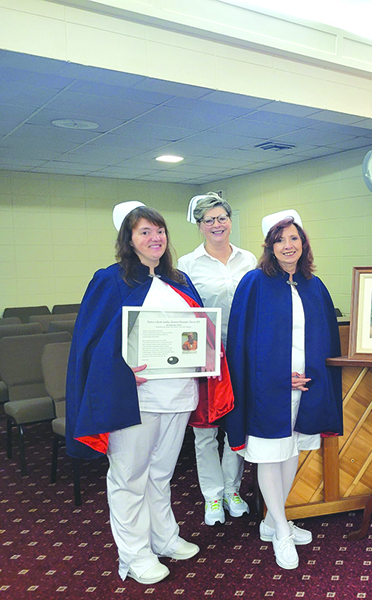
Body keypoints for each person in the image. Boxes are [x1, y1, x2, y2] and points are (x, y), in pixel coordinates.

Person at [66, 202, 233, 585]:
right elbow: (90, 345)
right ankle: (135, 554)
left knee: (161, 474)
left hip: (179, 394)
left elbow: (200, 334)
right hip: (135, 399)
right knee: (129, 477)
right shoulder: (110, 280)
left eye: (159, 231)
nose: (155, 238)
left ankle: (165, 537)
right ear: (129, 239)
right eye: (144, 232)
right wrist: (120, 371)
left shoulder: (180, 279)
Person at [225, 210, 343, 571]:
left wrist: (313, 376)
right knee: (269, 453)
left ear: (303, 243)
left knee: (291, 451)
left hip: (306, 386)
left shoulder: (313, 285)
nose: (288, 246)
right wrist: (279, 376)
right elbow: (244, 344)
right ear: (269, 247)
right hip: (269, 389)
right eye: (280, 240)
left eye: (293, 238)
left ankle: (271, 521)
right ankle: (280, 529)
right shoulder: (254, 283)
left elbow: (326, 338)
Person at [178, 193, 257, 526]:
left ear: (229, 220)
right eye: (208, 220)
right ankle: (212, 497)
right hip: (205, 354)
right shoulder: (186, 264)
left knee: (238, 426)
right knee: (206, 432)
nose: (216, 224)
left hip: (242, 353)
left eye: (221, 217)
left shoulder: (249, 259)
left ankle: (232, 490)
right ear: (199, 226)